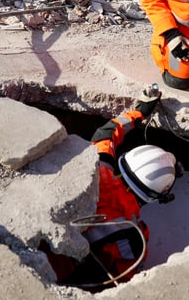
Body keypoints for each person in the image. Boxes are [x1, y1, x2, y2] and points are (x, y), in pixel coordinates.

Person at [44, 85, 178, 289]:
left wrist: (140, 111)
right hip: (54, 276)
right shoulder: (134, 234)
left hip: (34, 237)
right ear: (154, 197)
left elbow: (105, 133)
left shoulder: (98, 168)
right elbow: (126, 282)